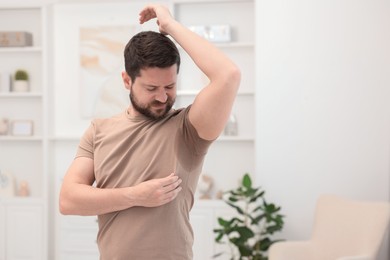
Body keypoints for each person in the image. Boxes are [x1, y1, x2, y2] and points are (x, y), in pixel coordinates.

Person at [59, 4, 241, 260]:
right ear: (127, 81)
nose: (163, 96)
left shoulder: (188, 128)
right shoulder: (98, 131)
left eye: (170, 85)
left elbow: (228, 75)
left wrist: (170, 26)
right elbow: (68, 200)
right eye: (151, 87)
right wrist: (136, 195)